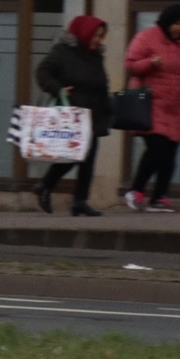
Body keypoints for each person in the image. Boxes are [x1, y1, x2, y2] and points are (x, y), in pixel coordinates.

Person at [123, 4, 180, 212]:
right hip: (150, 105)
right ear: (166, 21)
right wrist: (150, 63)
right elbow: (131, 64)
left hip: (175, 109)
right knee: (158, 152)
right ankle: (136, 191)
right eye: (177, 23)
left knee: (170, 157)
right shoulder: (146, 38)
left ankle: (159, 197)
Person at [32, 14, 109, 217]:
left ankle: (79, 201)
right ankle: (48, 186)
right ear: (84, 33)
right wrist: (59, 90)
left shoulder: (96, 56)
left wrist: (108, 109)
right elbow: (42, 72)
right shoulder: (63, 52)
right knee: (75, 156)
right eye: (95, 36)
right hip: (71, 113)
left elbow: (100, 84)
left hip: (92, 112)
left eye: (101, 36)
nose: (98, 40)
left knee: (88, 159)